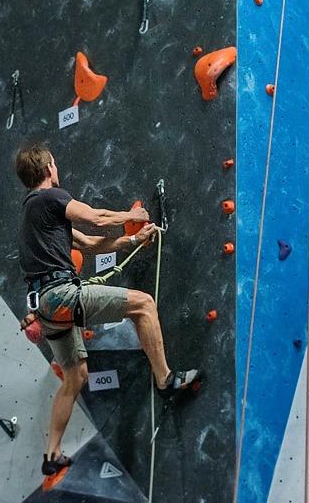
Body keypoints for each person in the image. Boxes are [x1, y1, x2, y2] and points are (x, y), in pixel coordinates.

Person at [15, 143, 200, 476]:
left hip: (47, 309)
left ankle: (51, 454)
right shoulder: (49, 198)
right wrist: (131, 216)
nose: (57, 171)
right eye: (55, 166)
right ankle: (165, 379)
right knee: (144, 305)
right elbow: (96, 219)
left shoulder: (36, 217)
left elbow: (91, 243)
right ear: (48, 169)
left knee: (75, 377)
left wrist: (132, 240)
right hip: (61, 296)